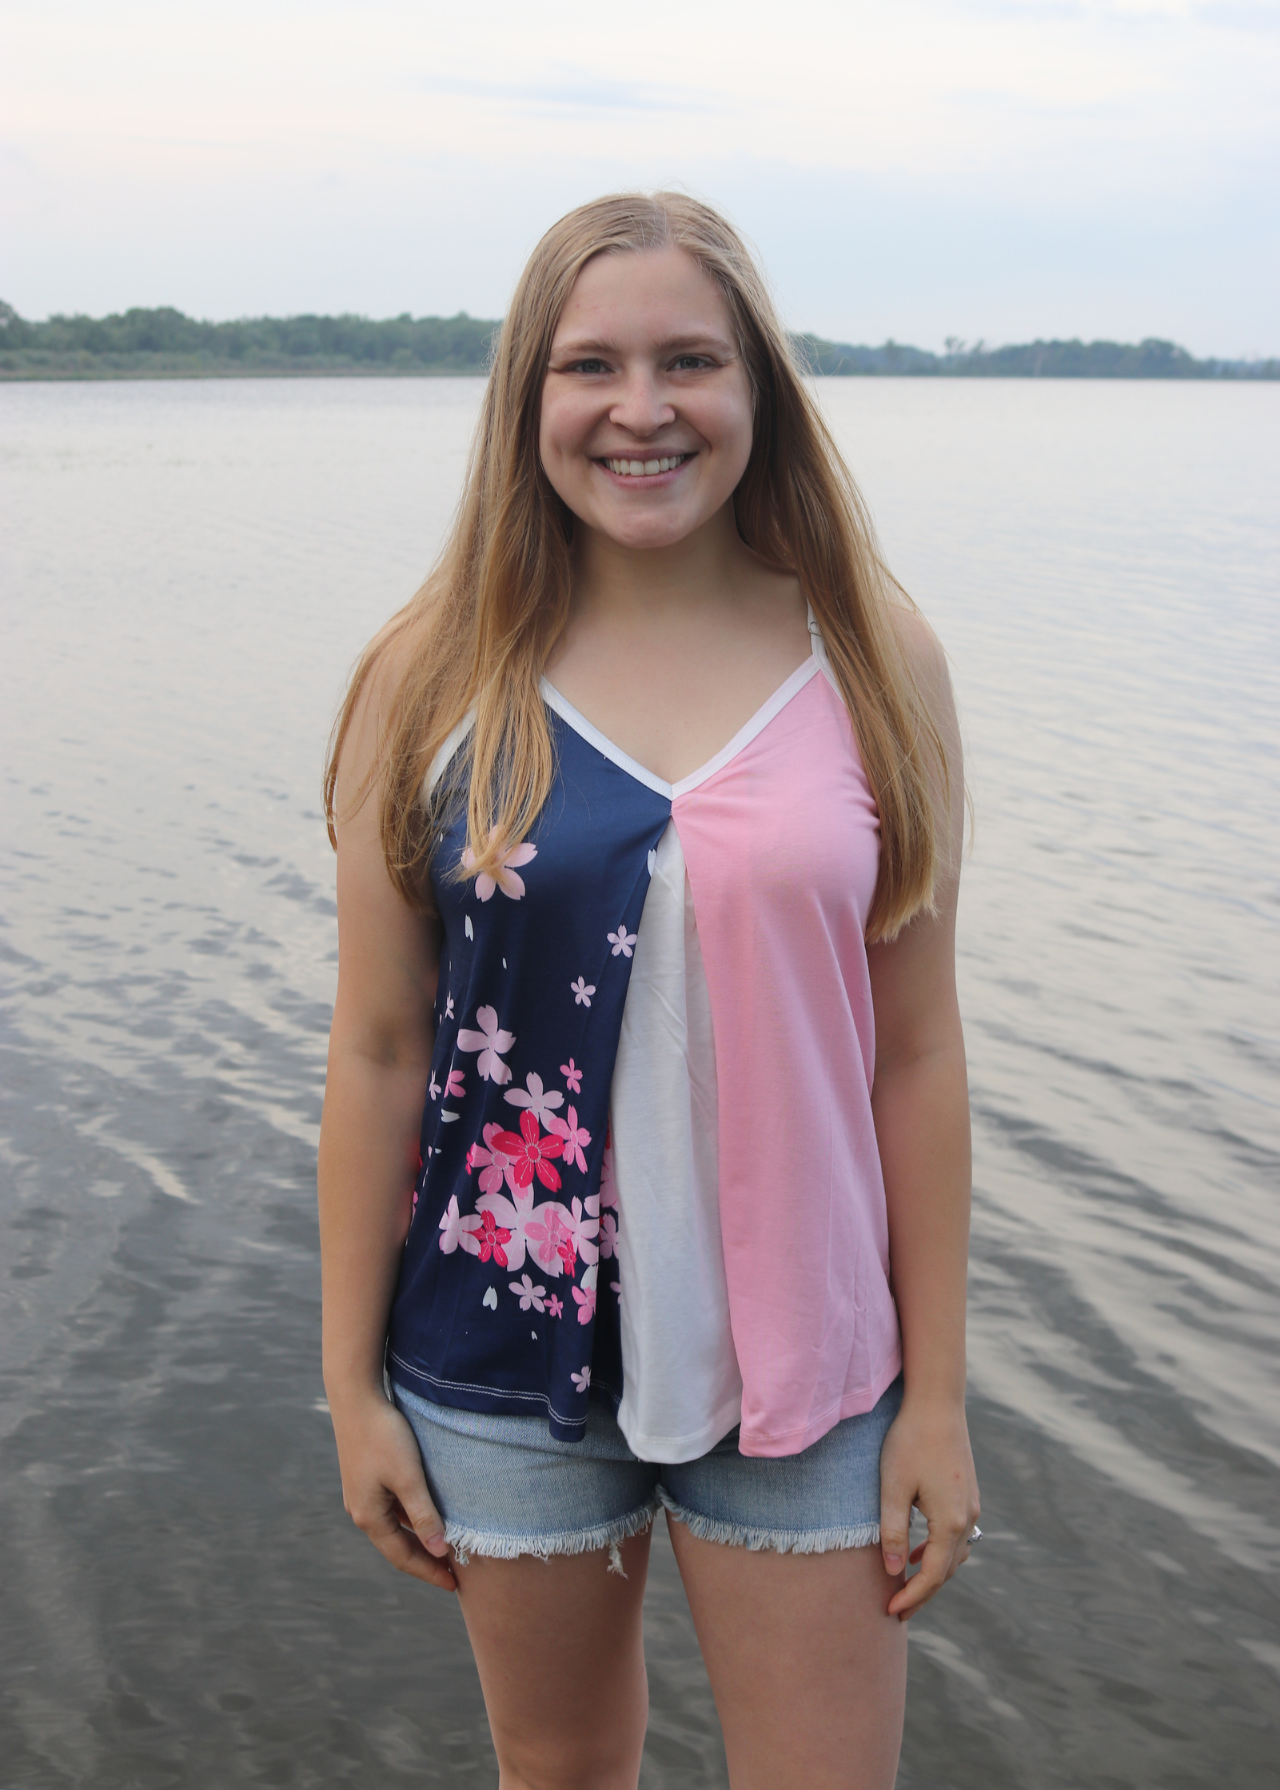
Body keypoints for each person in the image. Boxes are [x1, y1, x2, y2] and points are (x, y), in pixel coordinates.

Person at [319, 191, 980, 1790]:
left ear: (757, 386)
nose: (640, 408)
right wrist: (348, 1393)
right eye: (588, 366)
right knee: (558, 1774)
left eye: (690, 359)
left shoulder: (872, 656)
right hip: (499, 1349)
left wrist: (942, 1400)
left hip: (812, 1361)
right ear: (525, 401)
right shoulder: (430, 675)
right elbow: (380, 1050)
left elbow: (918, 1055)